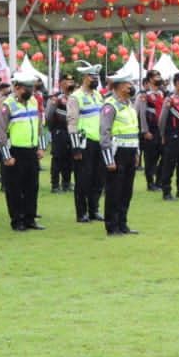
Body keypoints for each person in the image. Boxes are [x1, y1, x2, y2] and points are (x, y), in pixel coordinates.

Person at [0, 75, 46, 231]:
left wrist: (41, 147)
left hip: (31, 150)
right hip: (15, 152)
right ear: (16, 87)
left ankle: (30, 219)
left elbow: (39, 126)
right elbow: (1, 133)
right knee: (15, 189)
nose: (30, 91)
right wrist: (6, 156)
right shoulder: (7, 105)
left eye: (32, 88)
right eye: (27, 88)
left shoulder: (33, 101)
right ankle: (17, 220)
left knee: (32, 187)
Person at [99, 74, 141, 235]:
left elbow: (133, 130)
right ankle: (112, 225)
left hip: (130, 150)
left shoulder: (129, 106)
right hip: (117, 152)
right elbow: (104, 132)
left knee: (126, 190)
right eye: (127, 84)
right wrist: (109, 159)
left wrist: (137, 152)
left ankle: (123, 223)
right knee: (114, 190)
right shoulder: (110, 106)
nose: (130, 87)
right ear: (118, 86)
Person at [67, 66, 105, 222]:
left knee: (98, 178)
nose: (95, 79)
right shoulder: (76, 97)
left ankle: (94, 209)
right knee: (83, 179)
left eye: (96, 76)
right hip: (84, 143)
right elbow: (72, 122)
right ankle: (81, 212)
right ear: (84, 77)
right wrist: (75, 147)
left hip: (99, 141)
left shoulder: (98, 95)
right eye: (92, 77)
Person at [44, 75, 75, 194]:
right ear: (61, 83)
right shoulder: (55, 98)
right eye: (68, 81)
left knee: (69, 158)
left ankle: (66, 183)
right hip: (59, 132)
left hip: (71, 132)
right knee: (57, 158)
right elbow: (48, 116)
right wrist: (54, 129)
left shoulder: (75, 97)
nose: (70, 83)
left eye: (72, 81)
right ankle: (55, 185)